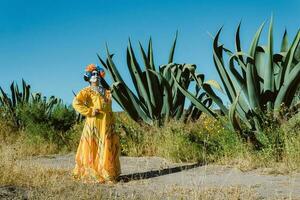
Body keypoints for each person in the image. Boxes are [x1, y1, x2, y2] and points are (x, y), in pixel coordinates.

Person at [72, 64, 121, 184]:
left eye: (97, 74)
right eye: (92, 74)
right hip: (93, 122)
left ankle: (106, 172)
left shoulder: (107, 91)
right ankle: (93, 173)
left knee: (106, 146)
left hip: (107, 123)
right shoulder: (86, 91)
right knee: (92, 146)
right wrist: (89, 111)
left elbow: (109, 108)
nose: (95, 76)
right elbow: (76, 103)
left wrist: (112, 121)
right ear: (88, 77)